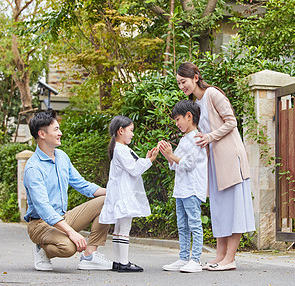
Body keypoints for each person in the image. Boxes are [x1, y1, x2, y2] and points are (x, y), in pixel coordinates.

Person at [175, 62, 256, 271]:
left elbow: (231, 122)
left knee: (234, 207)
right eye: (179, 83)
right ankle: (219, 256)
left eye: (183, 82)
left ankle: (230, 258)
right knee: (219, 209)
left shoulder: (212, 94)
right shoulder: (196, 103)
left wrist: (210, 137)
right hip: (214, 163)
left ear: (195, 77)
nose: (181, 87)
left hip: (230, 158)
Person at [24, 110, 113, 271]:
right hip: (39, 224)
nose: (61, 133)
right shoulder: (33, 168)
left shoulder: (62, 157)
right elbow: (43, 207)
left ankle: (89, 255)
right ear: (42, 134)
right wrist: (71, 233)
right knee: (69, 247)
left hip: (63, 217)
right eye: (56, 129)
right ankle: (42, 248)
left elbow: (82, 184)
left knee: (108, 200)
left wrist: (112, 192)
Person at [99, 116, 159, 272]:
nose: (132, 134)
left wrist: (145, 159)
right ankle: (123, 262)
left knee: (119, 228)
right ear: (121, 131)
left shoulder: (119, 149)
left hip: (121, 193)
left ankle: (119, 261)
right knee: (124, 228)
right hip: (124, 194)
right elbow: (134, 169)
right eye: (131, 130)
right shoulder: (121, 150)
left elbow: (133, 167)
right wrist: (150, 161)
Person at [159, 100, 207, 273]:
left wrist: (172, 155)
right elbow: (175, 163)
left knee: (194, 224)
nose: (177, 124)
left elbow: (188, 164)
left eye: (178, 119)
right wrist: (168, 154)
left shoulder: (196, 138)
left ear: (189, 116)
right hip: (181, 189)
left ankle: (195, 259)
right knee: (182, 224)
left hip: (192, 189)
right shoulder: (185, 139)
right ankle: (183, 257)